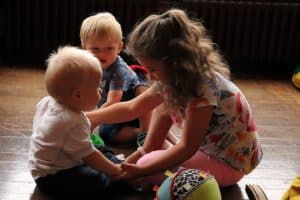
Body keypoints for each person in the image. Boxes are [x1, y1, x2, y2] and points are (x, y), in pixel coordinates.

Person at [86, 9, 263, 187]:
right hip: (206, 150)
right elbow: (133, 108)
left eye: (153, 69)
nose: (150, 76)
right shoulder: (173, 79)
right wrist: (90, 118)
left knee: (147, 165)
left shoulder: (201, 90)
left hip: (229, 164)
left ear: (175, 62)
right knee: (148, 156)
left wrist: (139, 171)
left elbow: (187, 147)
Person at [28, 46, 122, 197]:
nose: (101, 90)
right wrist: (115, 171)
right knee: (97, 179)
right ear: (77, 95)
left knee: (98, 147)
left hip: (47, 165)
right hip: (53, 176)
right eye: (97, 86)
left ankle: (113, 163)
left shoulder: (47, 101)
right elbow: (90, 156)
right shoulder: (71, 121)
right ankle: (117, 173)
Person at [80, 12, 151, 144]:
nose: (102, 54)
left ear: (119, 47)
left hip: (135, 112)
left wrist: (92, 122)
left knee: (143, 92)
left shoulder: (118, 70)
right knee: (106, 134)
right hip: (117, 114)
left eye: (109, 48)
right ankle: (144, 133)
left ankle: (146, 134)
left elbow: (113, 102)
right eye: (95, 49)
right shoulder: (88, 66)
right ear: (84, 47)